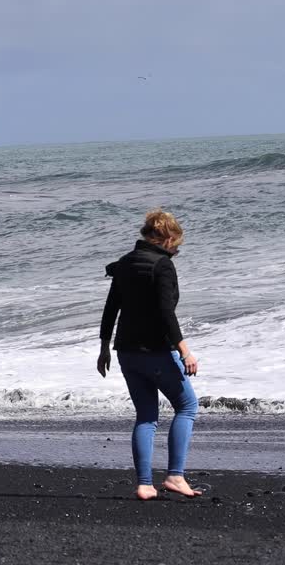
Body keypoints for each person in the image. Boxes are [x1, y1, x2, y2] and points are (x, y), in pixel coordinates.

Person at [97, 209, 202, 501]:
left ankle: (144, 484)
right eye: (176, 243)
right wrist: (185, 351)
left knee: (145, 416)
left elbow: (110, 309)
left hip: (126, 353)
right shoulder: (163, 266)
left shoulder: (124, 263)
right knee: (187, 406)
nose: (177, 249)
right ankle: (175, 476)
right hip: (156, 351)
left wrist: (104, 348)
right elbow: (166, 313)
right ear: (166, 239)